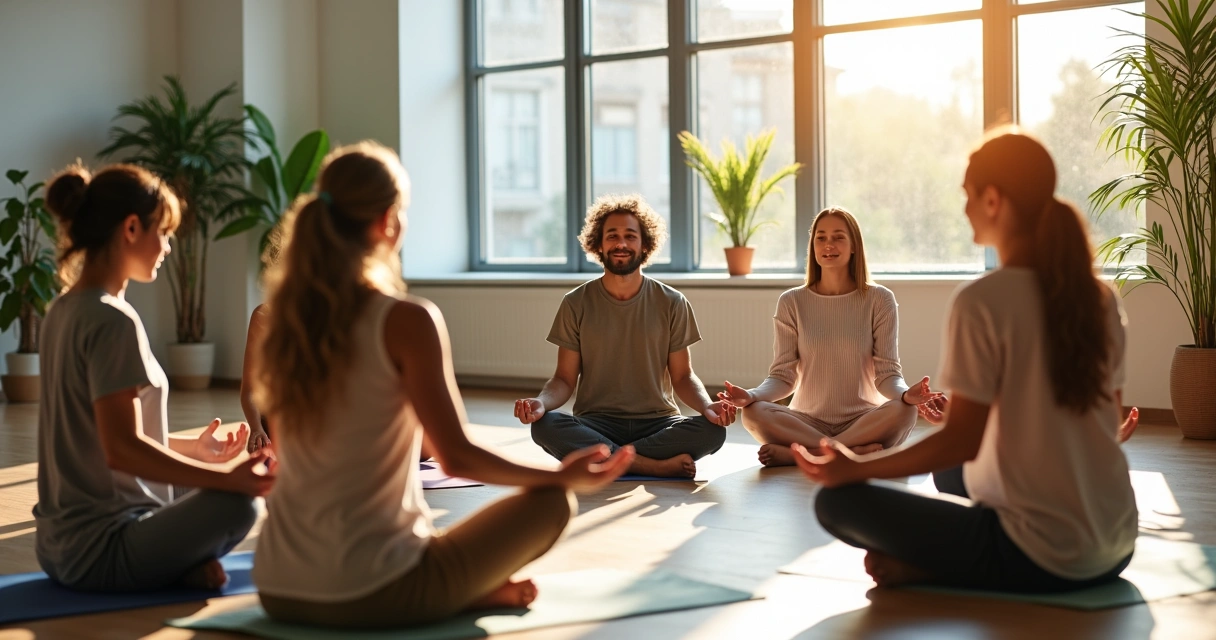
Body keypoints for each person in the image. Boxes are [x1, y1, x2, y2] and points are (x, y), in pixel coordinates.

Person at [250, 142, 633, 629]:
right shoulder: (407, 320)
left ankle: (458, 589)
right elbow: (456, 457)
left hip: (278, 589)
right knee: (550, 503)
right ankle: (458, 595)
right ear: (388, 222)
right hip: (369, 594)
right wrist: (562, 477)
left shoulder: (284, 324)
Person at [797, 128, 1140, 593]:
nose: (964, 209)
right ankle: (945, 563)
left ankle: (940, 569)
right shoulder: (1099, 295)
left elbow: (963, 440)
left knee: (836, 503)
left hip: (1042, 556)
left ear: (993, 200)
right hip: (1116, 545)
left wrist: (854, 467)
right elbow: (1105, 416)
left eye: (968, 196)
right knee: (951, 474)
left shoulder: (983, 299)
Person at [34, 164, 272, 592]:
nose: (167, 247)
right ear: (130, 228)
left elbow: (97, 436)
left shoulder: (62, 311)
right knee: (242, 506)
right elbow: (121, 449)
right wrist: (230, 479)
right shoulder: (111, 320)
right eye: (162, 232)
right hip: (100, 549)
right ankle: (174, 566)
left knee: (194, 482)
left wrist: (194, 449)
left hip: (55, 547)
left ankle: (178, 563)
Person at [515, 194, 735, 479]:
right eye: (612, 236)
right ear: (599, 243)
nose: (621, 244)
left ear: (645, 244)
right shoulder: (575, 303)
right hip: (595, 423)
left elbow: (682, 376)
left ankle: (608, 458)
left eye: (630, 236)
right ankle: (647, 464)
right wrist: (541, 403)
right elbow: (564, 379)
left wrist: (708, 407)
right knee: (545, 426)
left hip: (659, 423)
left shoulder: (672, 302)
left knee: (712, 432)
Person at [718, 207, 943, 467]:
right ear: (813, 246)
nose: (828, 245)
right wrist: (751, 395)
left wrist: (905, 395)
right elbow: (782, 376)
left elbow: (887, 375)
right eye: (821, 237)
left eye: (838, 237)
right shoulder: (792, 301)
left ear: (854, 246)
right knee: (753, 413)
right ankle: (851, 452)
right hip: (806, 420)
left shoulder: (879, 299)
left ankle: (807, 455)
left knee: (904, 411)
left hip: (864, 420)